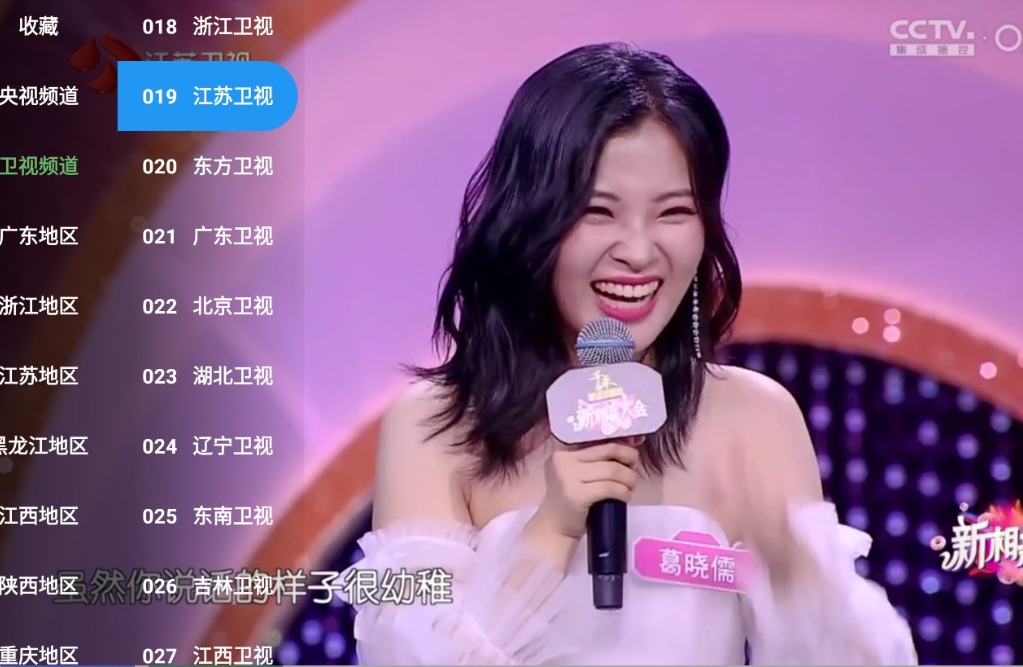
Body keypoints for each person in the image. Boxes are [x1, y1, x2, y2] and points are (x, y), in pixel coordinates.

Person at [349, 42, 918, 665]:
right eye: (598, 212)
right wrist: (552, 529)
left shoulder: (754, 418)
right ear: (529, 220)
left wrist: (801, 583)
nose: (640, 253)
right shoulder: (437, 426)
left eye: (674, 212)